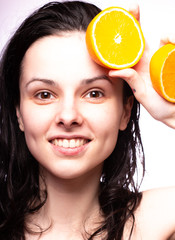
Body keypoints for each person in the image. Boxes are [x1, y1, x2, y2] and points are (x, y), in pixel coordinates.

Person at [0, 1, 175, 240]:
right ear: (18, 111)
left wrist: (172, 113)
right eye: (44, 94)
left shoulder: (162, 222)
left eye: (94, 93)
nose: (69, 116)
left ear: (125, 111)